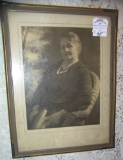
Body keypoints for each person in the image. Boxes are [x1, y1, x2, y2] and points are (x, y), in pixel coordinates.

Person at [29, 32, 92, 129]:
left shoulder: (82, 71)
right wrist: (35, 106)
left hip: (60, 115)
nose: (65, 50)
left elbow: (85, 97)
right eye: (62, 47)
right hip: (41, 110)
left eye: (69, 46)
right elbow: (42, 87)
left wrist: (63, 113)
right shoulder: (54, 67)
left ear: (78, 48)